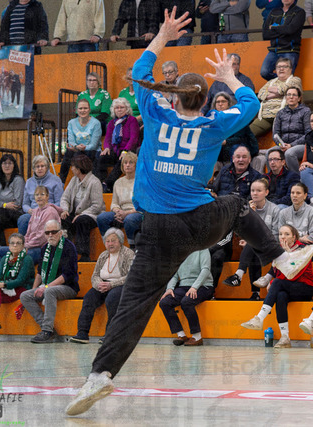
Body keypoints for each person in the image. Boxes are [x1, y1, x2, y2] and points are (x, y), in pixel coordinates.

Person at [65, 9, 288, 416]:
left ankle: (100, 375)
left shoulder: (155, 112)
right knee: (236, 203)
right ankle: (279, 257)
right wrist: (229, 75)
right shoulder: (213, 124)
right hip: (201, 224)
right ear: (204, 100)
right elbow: (252, 102)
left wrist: (164, 35)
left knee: (134, 305)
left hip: (158, 232)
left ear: (174, 96)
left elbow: (140, 70)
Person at [241, 225, 313, 348]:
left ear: (294, 237)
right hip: (288, 287)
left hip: (305, 288)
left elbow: (292, 274)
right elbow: (278, 273)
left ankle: (259, 318)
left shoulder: (303, 249)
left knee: (277, 283)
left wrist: (288, 254)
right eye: (280, 234)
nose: (283, 237)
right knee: (280, 296)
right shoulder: (279, 251)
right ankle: (285, 338)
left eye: (287, 234)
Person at [70, 228, 135, 344]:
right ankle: (82, 333)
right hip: (103, 284)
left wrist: (111, 284)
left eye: (113, 241)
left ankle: (110, 335)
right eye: (107, 241)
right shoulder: (103, 255)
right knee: (89, 298)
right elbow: (95, 275)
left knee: (112, 299)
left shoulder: (128, 254)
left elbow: (130, 276)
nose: (110, 244)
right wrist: (99, 284)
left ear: (120, 241)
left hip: (120, 285)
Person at [20, 220, 79, 343]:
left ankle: (46, 331)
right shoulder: (45, 248)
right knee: (25, 296)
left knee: (49, 291)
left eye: (54, 232)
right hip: (47, 285)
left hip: (68, 287)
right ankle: (47, 328)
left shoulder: (69, 247)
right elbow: (39, 272)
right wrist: (34, 289)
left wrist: (45, 287)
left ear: (60, 233)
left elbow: (67, 275)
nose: (50, 235)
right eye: (47, 233)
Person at [222, 178, 280, 300]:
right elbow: (241, 232)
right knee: (253, 246)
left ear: (266, 192)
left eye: (259, 190)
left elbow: (276, 234)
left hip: (273, 244)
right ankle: (255, 294)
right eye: (253, 190)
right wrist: (250, 215)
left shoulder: (274, 209)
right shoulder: (246, 209)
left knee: (253, 243)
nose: (255, 193)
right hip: (255, 246)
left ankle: (239, 275)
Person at [0, 233, 34, 342]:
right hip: (8, 288)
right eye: (12, 243)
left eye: (18, 243)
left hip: (22, 289)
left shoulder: (27, 259)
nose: (15, 245)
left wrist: (2, 285)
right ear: (8, 246)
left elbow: (21, 280)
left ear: (23, 246)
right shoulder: (5, 258)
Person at [0, 185, 62, 268]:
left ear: (47, 196)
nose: (39, 197)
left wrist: (25, 246)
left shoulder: (50, 212)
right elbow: (28, 233)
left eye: (42, 194)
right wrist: (21, 244)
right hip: (31, 246)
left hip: (44, 248)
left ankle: (14, 275)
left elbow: (42, 238)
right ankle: (1, 276)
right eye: (37, 195)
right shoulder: (35, 211)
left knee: (19, 257)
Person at [159, 249, 214, 346]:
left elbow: (205, 270)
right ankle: (181, 335)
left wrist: (194, 287)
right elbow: (174, 274)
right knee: (164, 302)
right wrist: (170, 288)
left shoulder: (203, 249)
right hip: (184, 286)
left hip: (204, 286)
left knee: (186, 302)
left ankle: (197, 337)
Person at [60, 155, 104, 262]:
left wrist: (82, 214)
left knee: (81, 220)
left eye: (73, 166)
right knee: (64, 218)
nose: (71, 169)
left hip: (92, 214)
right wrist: (65, 210)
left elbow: (97, 205)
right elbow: (65, 198)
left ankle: (83, 254)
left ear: (79, 168)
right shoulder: (74, 180)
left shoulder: (95, 182)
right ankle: (66, 251)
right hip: (76, 214)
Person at [96, 152, 142, 247]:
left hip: (136, 212)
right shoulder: (118, 182)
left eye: (131, 162)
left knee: (129, 219)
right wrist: (117, 211)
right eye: (125, 163)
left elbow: (142, 205)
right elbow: (114, 203)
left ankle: (132, 247)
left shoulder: (141, 182)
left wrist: (127, 213)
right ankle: (109, 245)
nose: (127, 165)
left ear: (136, 165)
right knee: (102, 218)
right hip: (121, 211)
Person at [94, 98, 140, 191]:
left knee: (123, 160)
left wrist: (125, 151)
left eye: (122, 107)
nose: (119, 110)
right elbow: (108, 138)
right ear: (113, 110)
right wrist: (107, 147)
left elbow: (134, 138)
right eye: (117, 108)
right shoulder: (112, 123)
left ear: (127, 109)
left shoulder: (132, 120)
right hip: (116, 150)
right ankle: (100, 183)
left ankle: (108, 184)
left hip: (129, 150)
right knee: (102, 157)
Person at [250, 57, 302, 138]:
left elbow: (283, 89)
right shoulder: (271, 82)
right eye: (278, 67)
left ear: (291, 69)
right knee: (248, 133)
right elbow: (261, 94)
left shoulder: (295, 80)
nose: (281, 69)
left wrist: (274, 92)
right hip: (265, 117)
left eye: (285, 66)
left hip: (285, 117)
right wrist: (279, 94)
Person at [209, 93, 261, 172]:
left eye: (223, 101)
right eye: (218, 102)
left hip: (243, 146)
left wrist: (225, 142)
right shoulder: (213, 121)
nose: (220, 104)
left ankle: (231, 173)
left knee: (232, 148)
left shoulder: (237, 117)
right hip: (224, 149)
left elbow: (241, 139)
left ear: (229, 104)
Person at [17, 155, 63, 235]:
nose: (40, 168)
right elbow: (25, 204)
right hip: (33, 213)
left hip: (49, 212)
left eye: (42, 166)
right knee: (23, 219)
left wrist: (47, 210)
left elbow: (59, 202)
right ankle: (23, 242)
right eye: (37, 166)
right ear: (33, 169)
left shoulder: (56, 180)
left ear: (47, 167)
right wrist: (29, 210)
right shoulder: (29, 182)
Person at [260, 0, 306, 81]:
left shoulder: (299, 12)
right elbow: (266, 34)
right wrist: (284, 31)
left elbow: (290, 30)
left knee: (286, 76)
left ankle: (284, 83)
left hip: (290, 50)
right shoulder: (274, 11)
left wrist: (274, 28)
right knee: (264, 72)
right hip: (274, 50)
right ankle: (282, 82)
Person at [59, 99, 102, 183]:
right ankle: (61, 182)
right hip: (77, 149)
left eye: (85, 108)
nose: (83, 110)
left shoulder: (96, 123)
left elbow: (94, 145)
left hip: (91, 150)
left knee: (78, 155)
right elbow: (71, 141)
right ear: (76, 110)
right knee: (69, 153)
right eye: (80, 108)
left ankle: (87, 182)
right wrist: (76, 147)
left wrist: (83, 147)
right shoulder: (71, 123)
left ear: (89, 110)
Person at [273, 86, 312, 172]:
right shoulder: (280, 113)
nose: (291, 97)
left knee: (289, 153)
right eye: (289, 94)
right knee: (270, 153)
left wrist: (291, 145)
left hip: (302, 145)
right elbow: (275, 133)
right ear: (286, 97)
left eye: (294, 95)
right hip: (283, 145)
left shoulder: (306, 111)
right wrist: (280, 144)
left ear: (299, 98)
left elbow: (308, 133)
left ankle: (296, 177)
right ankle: (273, 178)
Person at [298, 115, 313, 198]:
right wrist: (303, 164)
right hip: (311, 168)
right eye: (312, 121)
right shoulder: (309, 137)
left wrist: (311, 165)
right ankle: (311, 198)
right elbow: (306, 156)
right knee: (304, 171)